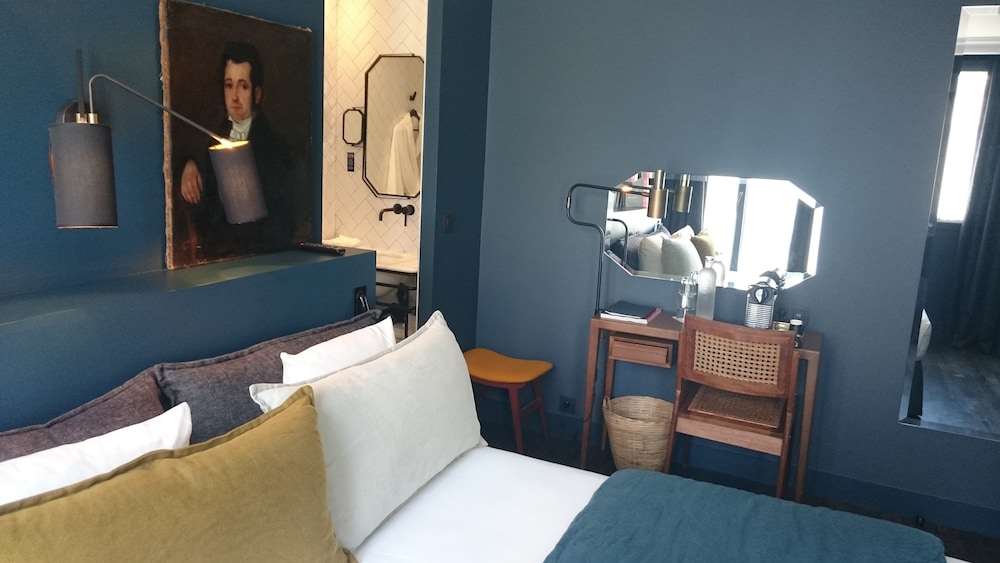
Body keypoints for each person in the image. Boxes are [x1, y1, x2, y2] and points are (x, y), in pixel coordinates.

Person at [178, 40, 297, 260]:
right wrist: (190, 164)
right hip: (218, 256)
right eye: (228, 85)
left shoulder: (275, 148)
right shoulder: (212, 139)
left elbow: (283, 222)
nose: (234, 96)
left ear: (257, 94)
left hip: (258, 257)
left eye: (243, 86)